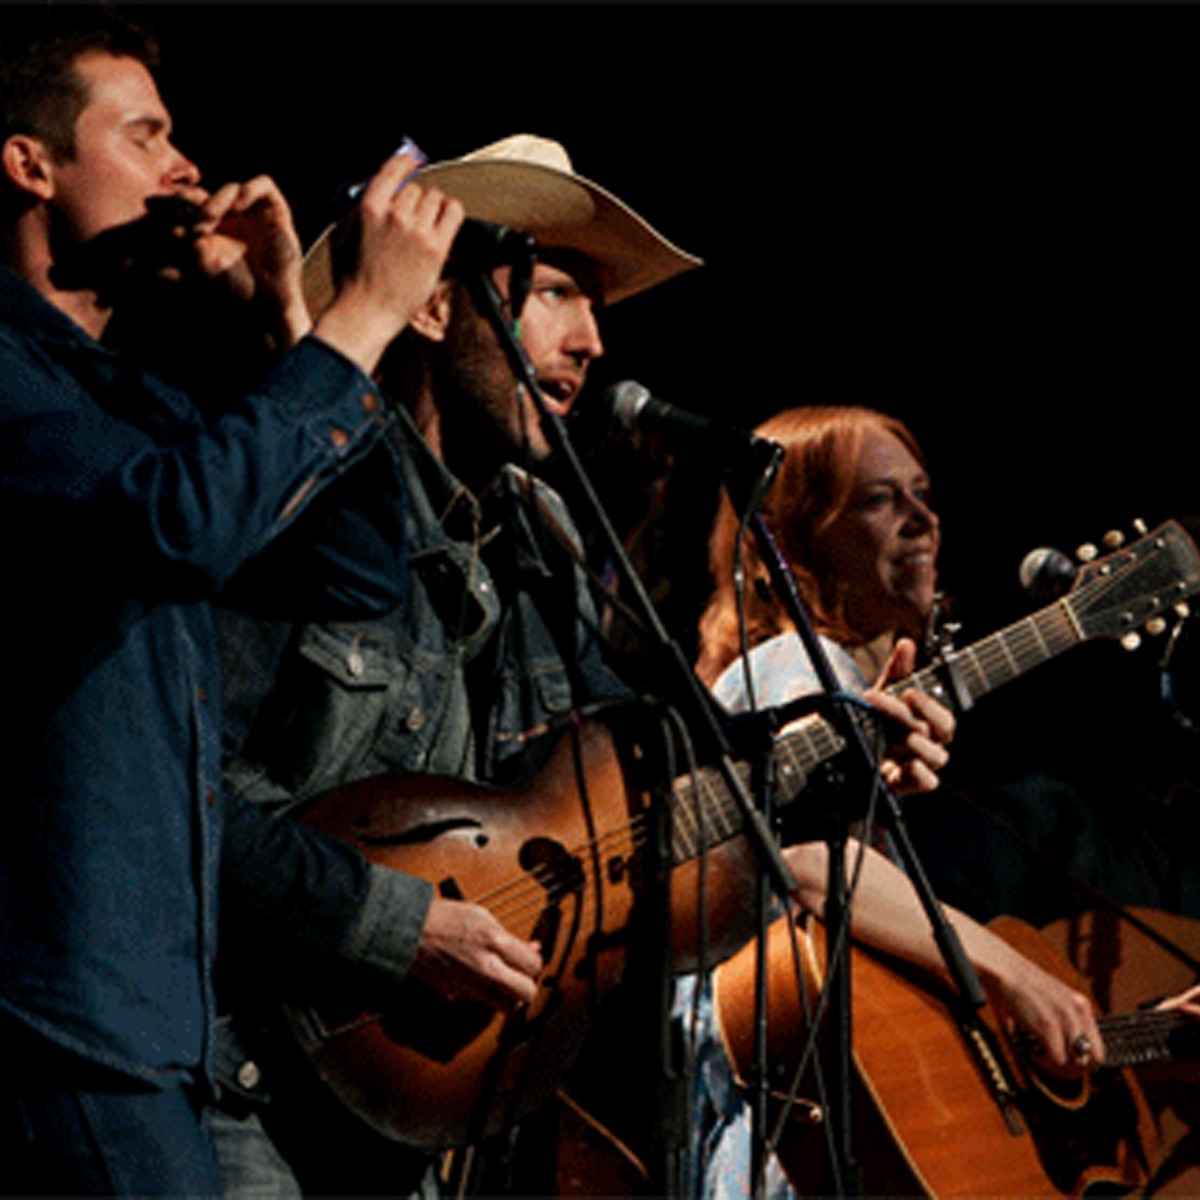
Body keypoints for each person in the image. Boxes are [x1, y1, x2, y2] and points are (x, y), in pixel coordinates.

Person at [207, 137, 958, 1199]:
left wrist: (829, 773)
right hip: (246, 1089)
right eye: (555, 291)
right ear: (431, 307)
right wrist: (393, 923)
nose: (593, 341)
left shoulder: (547, 545)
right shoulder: (302, 502)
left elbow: (642, 829)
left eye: (595, 305)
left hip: (431, 1127)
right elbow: (172, 800)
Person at [0, 12, 539, 1195]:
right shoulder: (10, 380)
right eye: (145, 135)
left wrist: (282, 326)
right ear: (31, 166)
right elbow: (176, 525)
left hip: (150, 1032)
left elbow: (347, 574)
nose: (185, 167)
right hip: (58, 1028)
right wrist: (364, 317)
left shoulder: (132, 398)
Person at [679, 404, 1145, 1199]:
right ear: (787, 546)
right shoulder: (793, 665)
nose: (923, 519)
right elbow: (804, 861)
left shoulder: (836, 688)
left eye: (923, 493)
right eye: (877, 500)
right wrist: (1011, 975)